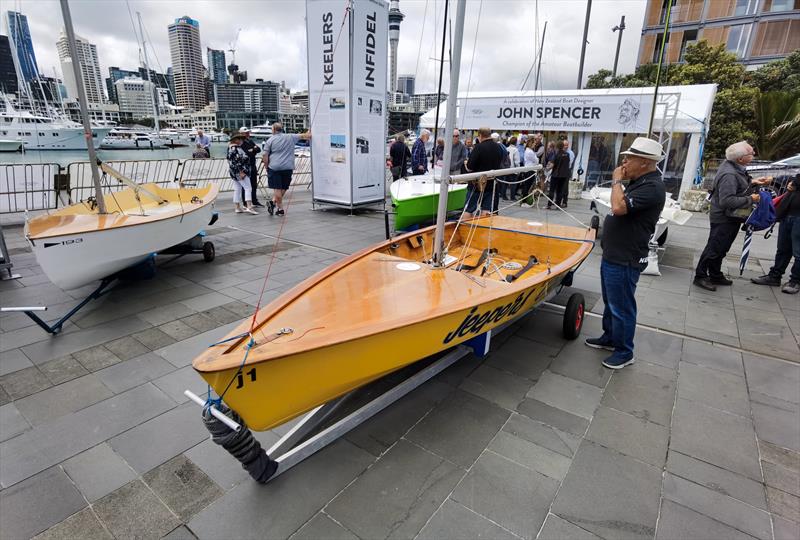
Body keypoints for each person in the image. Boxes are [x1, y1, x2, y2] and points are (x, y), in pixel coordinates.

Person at [585, 137, 667, 369]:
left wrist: (616, 181)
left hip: (626, 257)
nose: (624, 163)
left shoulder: (652, 186)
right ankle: (610, 337)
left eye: (629, 158)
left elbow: (619, 208)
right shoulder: (640, 181)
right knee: (612, 301)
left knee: (621, 306)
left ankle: (624, 351)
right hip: (615, 253)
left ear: (644, 162)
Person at [694, 141, 769, 291]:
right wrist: (751, 199)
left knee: (722, 247)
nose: (754, 155)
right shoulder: (729, 173)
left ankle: (715, 274)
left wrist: (752, 182)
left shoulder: (734, 167)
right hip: (723, 217)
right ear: (740, 159)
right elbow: (727, 200)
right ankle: (700, 276)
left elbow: (738, 187)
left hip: (731, 217)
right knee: (714, 247)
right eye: (751, 153)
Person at [751, 176, 799, 294]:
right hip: (788, 214)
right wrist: (791, 182)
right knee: (783, 249)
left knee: (798, 252)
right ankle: (774, 276)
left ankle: (795, 281)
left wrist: (795, 183)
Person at [261, 122, 311, 216]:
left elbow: (265, 155)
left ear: (273, 130)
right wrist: (310, 130)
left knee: (277, 189)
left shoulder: (270, 140)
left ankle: (280, 209)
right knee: (283, 188)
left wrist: (266, 166)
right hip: (288, 167)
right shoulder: (291, 136)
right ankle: (272, 203)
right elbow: (307, 136)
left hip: (274, 167)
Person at [463, 127, 505, 218]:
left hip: (476, 184)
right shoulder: (499, 147)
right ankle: (483, 232)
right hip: (491, 183)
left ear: (480, 135)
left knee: (468, 209)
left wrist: (466, 163)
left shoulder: (479, 147)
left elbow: (470, 167)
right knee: (486, 211)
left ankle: (464, 230)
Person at [227, 134, 258, 215]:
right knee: (248, 188)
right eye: (240, 139)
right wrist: (241, 171)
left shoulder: (230, 148)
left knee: (237, 189)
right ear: (236, 140)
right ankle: (249, 206)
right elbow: (237, 161)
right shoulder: (236, 149)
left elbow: (231, 161)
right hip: (241, 172)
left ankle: (237, 207)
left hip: (234, 172)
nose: (242, 140)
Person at [238, 127, 263, 207]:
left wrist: (252, 150)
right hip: (245, 166)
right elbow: (247, 153)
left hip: (252, 165)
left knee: (254, 184)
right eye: (246, 133)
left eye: (248, 132)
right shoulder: (241, 143)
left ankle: (254, 200)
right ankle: (246, 203)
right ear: (241, 134)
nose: (248, 134)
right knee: (245, 185)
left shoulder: (250, 141)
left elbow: (258, 149)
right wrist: (253, 150)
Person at [546, 140, 571, 209]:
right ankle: (558, 205)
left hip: (556, 175)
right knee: (560, 191)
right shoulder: (567, 154)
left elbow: (552, 165)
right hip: (563, 175)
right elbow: (567, 164)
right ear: (563, 146)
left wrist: (546, 169)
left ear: (557, 147)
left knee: (552, 190)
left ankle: (549, 205)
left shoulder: (556, 154)